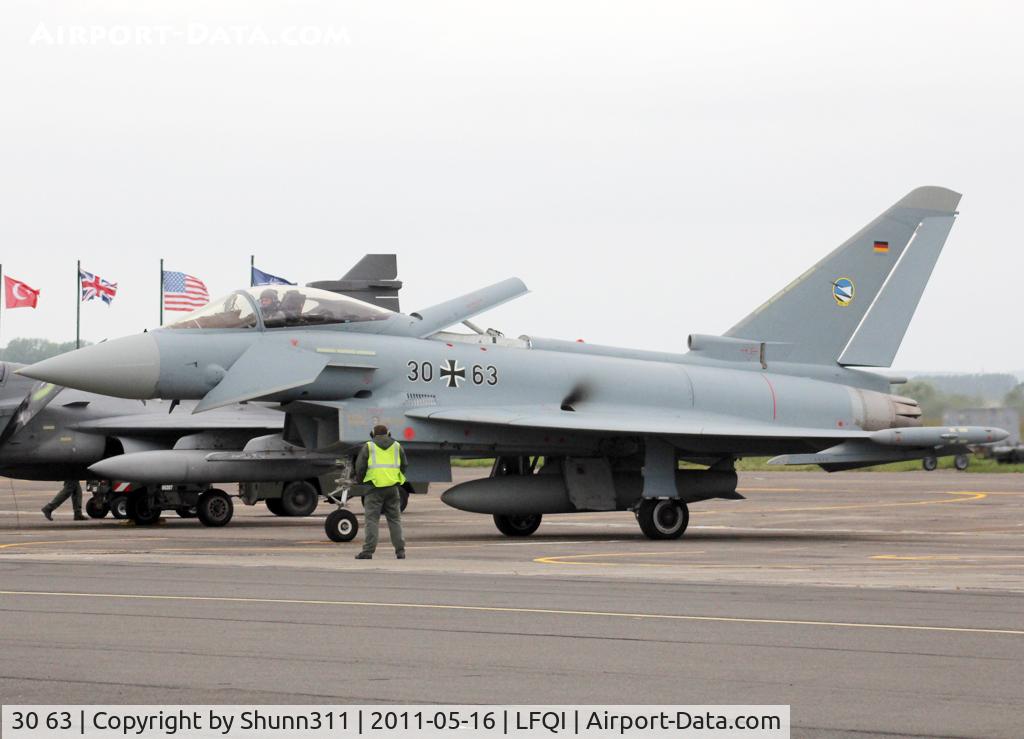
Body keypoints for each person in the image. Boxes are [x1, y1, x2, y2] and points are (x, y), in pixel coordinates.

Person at [353, 424, 407, 560]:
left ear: (372, 434)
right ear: (389, 434)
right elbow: (404, 465)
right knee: (395, 519)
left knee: (372, 520)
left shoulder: (369, 447)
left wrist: (361, 481)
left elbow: (360, 467)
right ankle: (400, 551)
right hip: (392, 488)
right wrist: (394, 477)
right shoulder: (397, 446)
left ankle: (368, 551)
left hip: (374, 488)